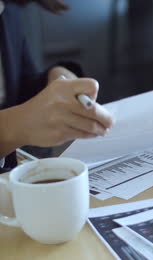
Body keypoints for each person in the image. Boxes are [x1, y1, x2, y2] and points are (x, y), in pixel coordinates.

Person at [0, 0, 114, 171]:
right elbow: (18, 117)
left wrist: (54, 78)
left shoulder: (8, 9)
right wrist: (11, 128)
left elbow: (19, 89)